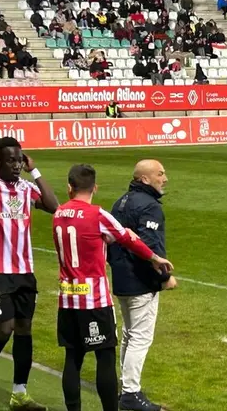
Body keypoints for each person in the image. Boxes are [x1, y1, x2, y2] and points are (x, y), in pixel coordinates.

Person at [53, 164, 175, 411]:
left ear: (69, 187)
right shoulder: (97, 215)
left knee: (72, 358)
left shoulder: (59, 213)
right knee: (105, 356)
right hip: (94, 299)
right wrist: (155, 258)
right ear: (95, 188)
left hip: (67, 297)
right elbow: (127, 238)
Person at [0, 137, 59, 411]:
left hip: (24, 271)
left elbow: (54, 206)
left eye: (20, 159)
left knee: (24, 329)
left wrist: (36, 170)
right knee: (4, 327)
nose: (17, 164)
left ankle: (19, 392)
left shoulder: (26, 188)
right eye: (11, 159)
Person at [107, 160, 177, 411]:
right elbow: (147, 247)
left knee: (129, 334)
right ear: (145, 179)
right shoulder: (148, 206)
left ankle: (126, 387)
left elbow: (110, 240)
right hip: (139, 280)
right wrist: (163, 277)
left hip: (122, 277)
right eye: (160, 174)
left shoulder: (121, 201)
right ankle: (130, 392)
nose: (165, 178)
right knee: (140, 337)